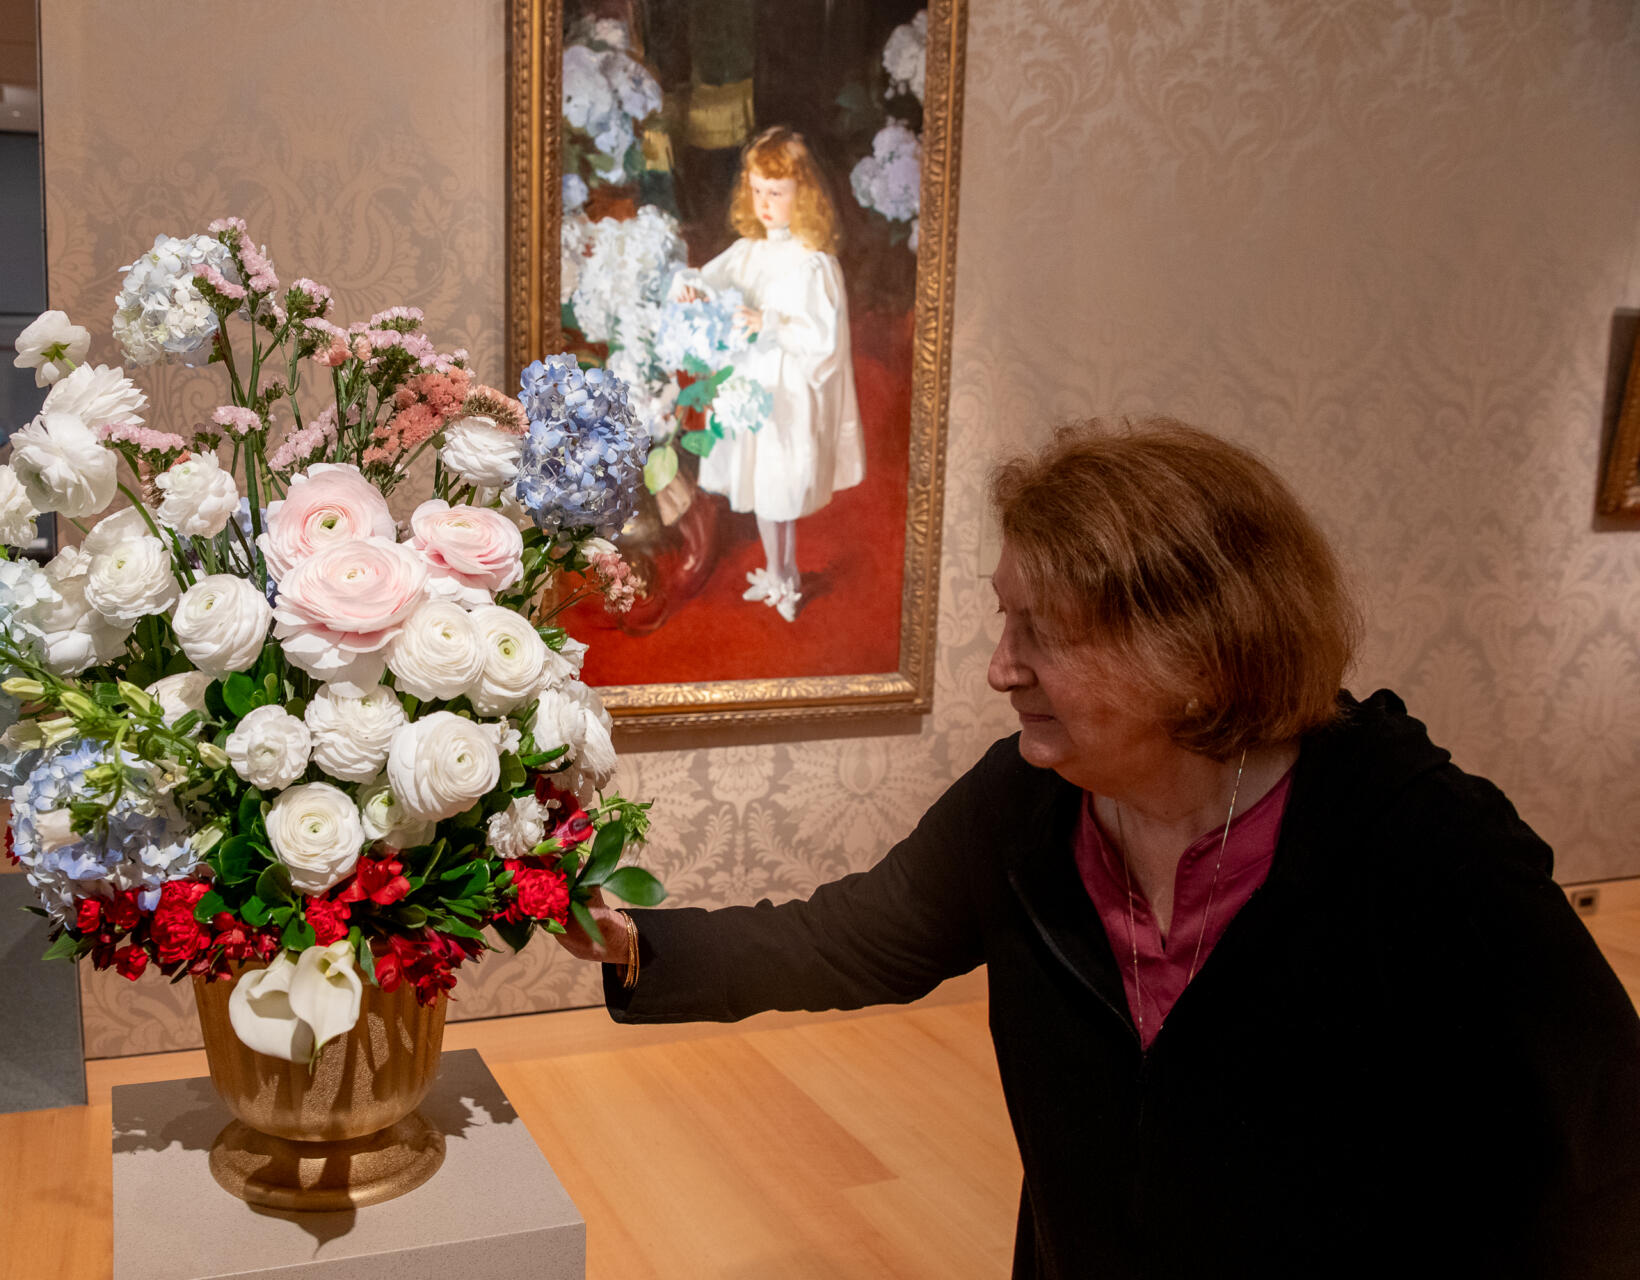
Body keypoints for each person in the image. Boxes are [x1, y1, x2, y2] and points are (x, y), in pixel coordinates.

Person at [557, 419, 1640, 1277]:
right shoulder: (1026, 805)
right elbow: (849, 938)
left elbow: (1601, 1150)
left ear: (1195, 654)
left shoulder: (1423, 841)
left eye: (1042, 633)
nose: (1000, 667)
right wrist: (631, 941)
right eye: (1005, 619)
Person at [678, 125, 864, 622]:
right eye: (757, 190)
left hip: (786, 394)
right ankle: (778, 571)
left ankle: (788, 574)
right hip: (750, 389)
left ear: (803, 194)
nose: (764, 203)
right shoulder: (749, 252)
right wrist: (691, 288)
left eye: (776, 193)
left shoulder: (813, 264)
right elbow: (706, 277)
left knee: (780, 485)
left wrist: (771, 323)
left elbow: (824, 339)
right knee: (762, 487)